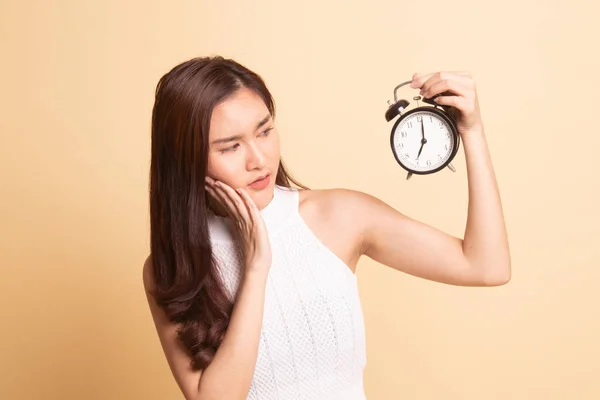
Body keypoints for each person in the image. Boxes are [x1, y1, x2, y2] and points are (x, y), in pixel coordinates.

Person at [142, 55, 511, 400]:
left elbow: (486, 267)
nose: (258, 160)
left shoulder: (337, 216)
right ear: (186, 159)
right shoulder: (173, 267)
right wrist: (256, 266)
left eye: (265, 131)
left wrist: (472, 131)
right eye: (230, 147)